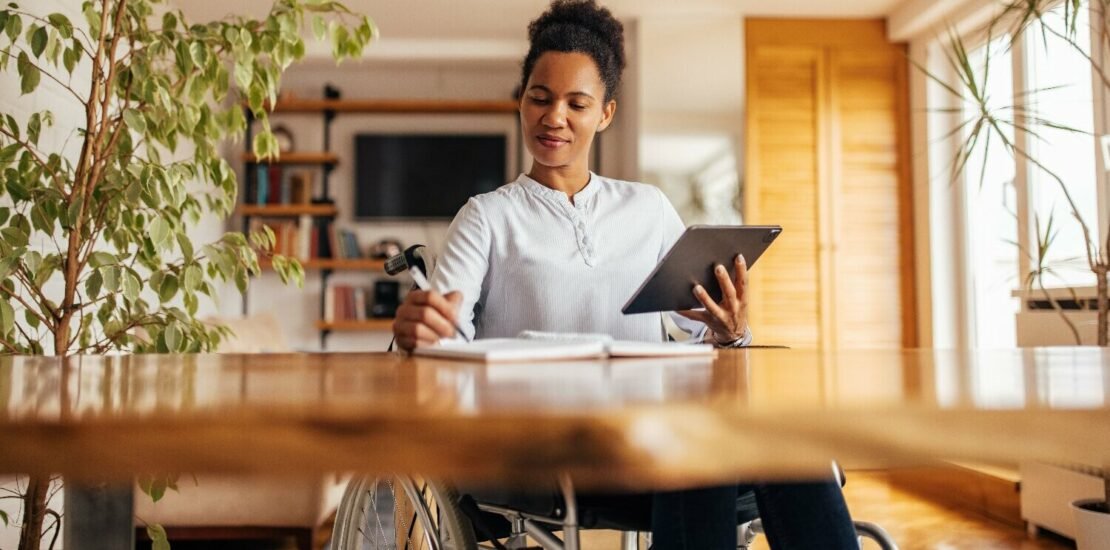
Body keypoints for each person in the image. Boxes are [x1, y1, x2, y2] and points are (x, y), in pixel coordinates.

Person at [391, 1, 859, 548]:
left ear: (606, 113)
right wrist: (420, 336)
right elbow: (447, 342)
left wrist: (730, 334)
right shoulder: (487, 216)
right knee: (698, 444)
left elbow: (693, 338)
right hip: (538, 449)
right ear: (521, 101)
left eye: (576, 103)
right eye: (539, 98)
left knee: (782, 437)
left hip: (649, 436)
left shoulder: (650, 209)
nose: (554, 117)